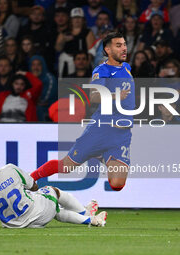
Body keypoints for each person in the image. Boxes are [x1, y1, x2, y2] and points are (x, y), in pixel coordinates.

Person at [30, 32, 135, 192]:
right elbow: (93, 96)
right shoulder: (102, 70)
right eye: (118, 45)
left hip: (121, 134)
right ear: (107, 49)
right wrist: (115, 96)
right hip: (101, 130)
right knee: (66, 166)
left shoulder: (127, 68)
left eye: (124, 44)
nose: (124, 48)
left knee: (117, 184)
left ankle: (99, 155)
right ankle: (30, 178)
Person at [0, 146, 107, 228]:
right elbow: (33, 187)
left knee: (55, 210)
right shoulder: (10, 169)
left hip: (15, 226)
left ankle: (89, 217)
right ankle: (87, 214)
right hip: (38, 213)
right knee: (53, 191)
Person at [56, 7, 95, 77]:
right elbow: (57, 48)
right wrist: (63, 40)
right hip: (67, 62)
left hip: (81, 61)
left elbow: (91, 51)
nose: (77, 20)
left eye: (79, 18)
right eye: (74, 18)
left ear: (83, 20)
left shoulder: (87, 32)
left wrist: (86, 65)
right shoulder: (65, 32)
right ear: (71, 20)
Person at [29, 55, 58, 121]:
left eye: (38, 65)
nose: (35, 68)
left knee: (38, 109)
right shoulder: (28, 79)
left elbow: (43, 100)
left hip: (48, 109)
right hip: (35, 107)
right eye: (33, 65)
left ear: (43, 66)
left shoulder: (50, 79)